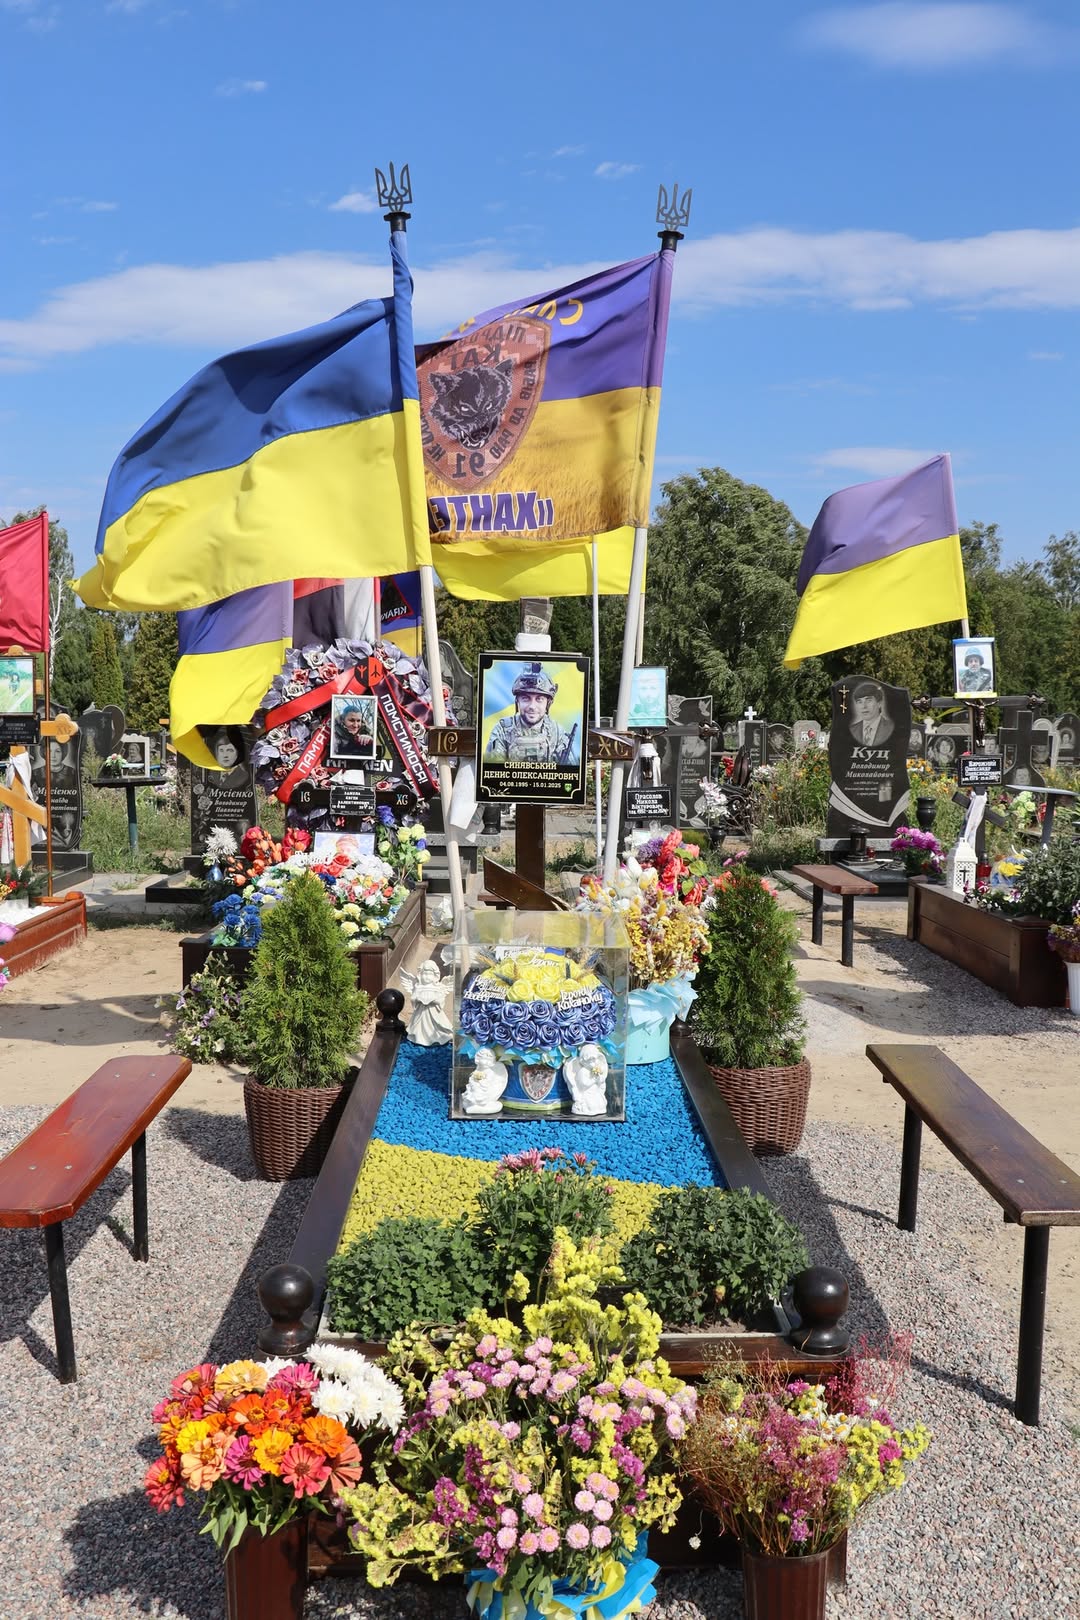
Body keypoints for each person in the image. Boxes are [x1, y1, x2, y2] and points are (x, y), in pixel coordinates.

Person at [485, 663, 574, 764]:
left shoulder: (557, 733)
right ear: (517, 701)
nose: (532, 706)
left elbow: (570, 770)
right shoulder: (503, 730)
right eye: (525, 698)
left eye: (539, 699)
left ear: (548, 703)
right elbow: (493, 769)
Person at [848, 681, 894, 746]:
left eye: (869, 700)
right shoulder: (852, 729)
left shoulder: (891, 728)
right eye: (859, 702)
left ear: (879, 703)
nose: (864, 706)